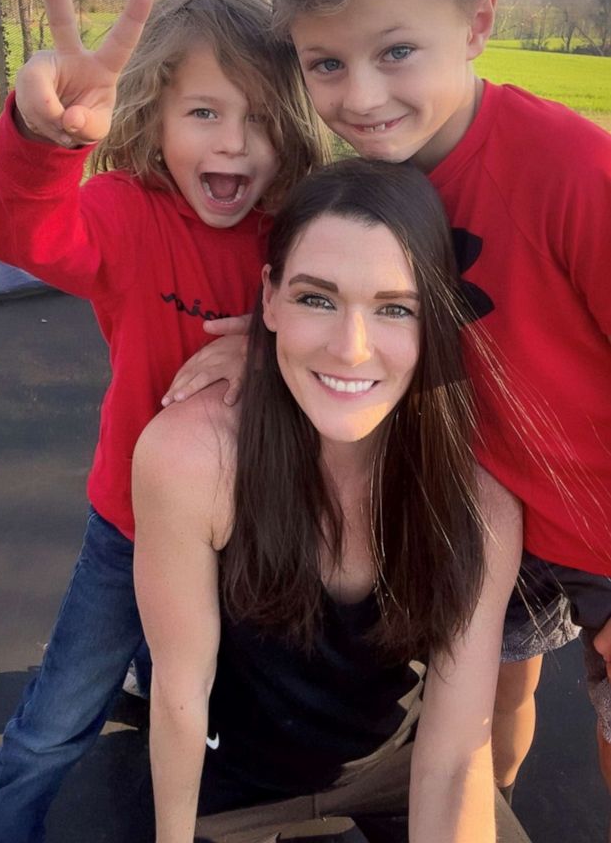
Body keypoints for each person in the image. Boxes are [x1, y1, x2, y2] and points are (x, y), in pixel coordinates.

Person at [266, 0, 611, 821]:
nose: (361, 96)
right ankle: (495, 800)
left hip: (602, 524)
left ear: (478, 21)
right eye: (326, 63)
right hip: (493, 510)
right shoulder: (362, 188)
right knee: (501, 687)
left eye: (396, 53)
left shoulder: (571, 171)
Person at [0, 0, 326, 843]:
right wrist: (44, 142)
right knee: (57, 722)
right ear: (157, 116)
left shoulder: (299, 232)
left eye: (257, 117)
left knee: (206, 697)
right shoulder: (128, 215)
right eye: (203, 111)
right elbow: (30, 232)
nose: (231, 142)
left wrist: (269, 332)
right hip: (132, 526)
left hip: (253, 533)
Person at [132, 158, 522, 843]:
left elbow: (453, 757)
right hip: (236, 791)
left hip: (397, 769)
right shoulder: (193, 460)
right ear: (270, 299)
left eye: (394, 308)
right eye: (316, 298)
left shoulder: (477, 508)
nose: (351, 348)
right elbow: (181, 692)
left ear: (435, 322)